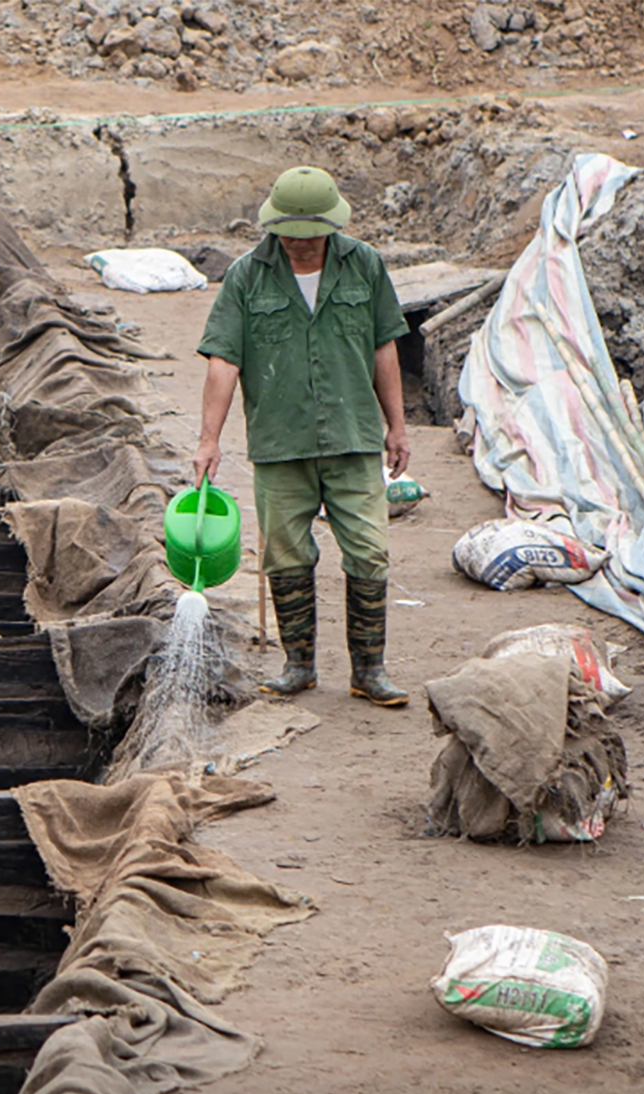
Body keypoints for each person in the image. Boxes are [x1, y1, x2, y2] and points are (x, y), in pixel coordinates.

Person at [192, 165, 412, 708]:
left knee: (370, 551)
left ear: (332, 227)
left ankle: (370, 670)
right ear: (275, 228)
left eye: (312, 235)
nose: (302, 245)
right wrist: (208, 440)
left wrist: (397, 425)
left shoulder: (365, 266)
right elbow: (223, 361)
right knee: (286, 556)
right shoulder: (246, 276)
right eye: (292, 236)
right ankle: (298, 665)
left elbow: (384, 347)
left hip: (353, 437)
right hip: (280, 442)